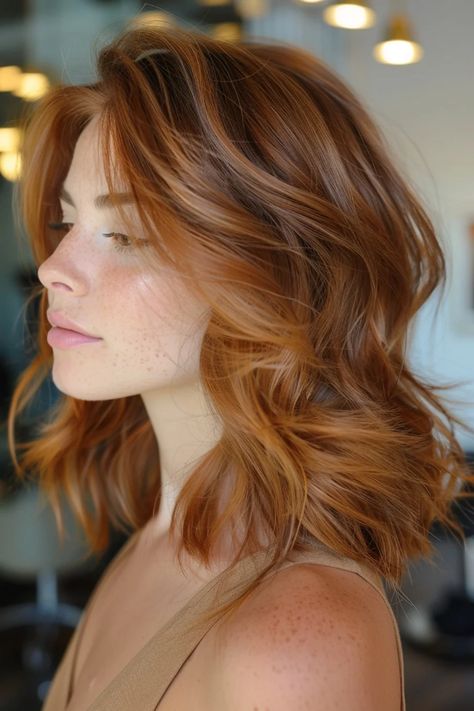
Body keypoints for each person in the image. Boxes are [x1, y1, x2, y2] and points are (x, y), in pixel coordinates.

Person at [7, 23, 474, 711]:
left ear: (272, 276)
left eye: (127, 234)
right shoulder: (156, 542)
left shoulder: (298, 643)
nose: (52, 269)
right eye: (66, 222)